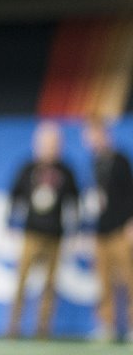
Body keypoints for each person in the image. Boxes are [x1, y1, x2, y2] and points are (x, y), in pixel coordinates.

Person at [7, 120, 80, 339]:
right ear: (37, 144)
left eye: (54, 143)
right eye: (46, 142)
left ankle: (43, 329)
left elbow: (74, 202)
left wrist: (76, 231)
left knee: (50, 284)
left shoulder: (66, 170)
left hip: (55, 235)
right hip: (31, 232)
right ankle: (13, 327)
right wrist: (9, 223)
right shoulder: (27, 168)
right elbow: (14, 197)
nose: (50, 147)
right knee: (21, 281)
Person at [82, 116, 133, 343]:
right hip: (100, 232)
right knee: (103, 282)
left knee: (129, 279)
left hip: (121, 230)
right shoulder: (94, 162)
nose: (91, 140)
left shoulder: (120, 160)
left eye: (94, 135)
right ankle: (107, 325)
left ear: (104, 134)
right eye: (88, 137)